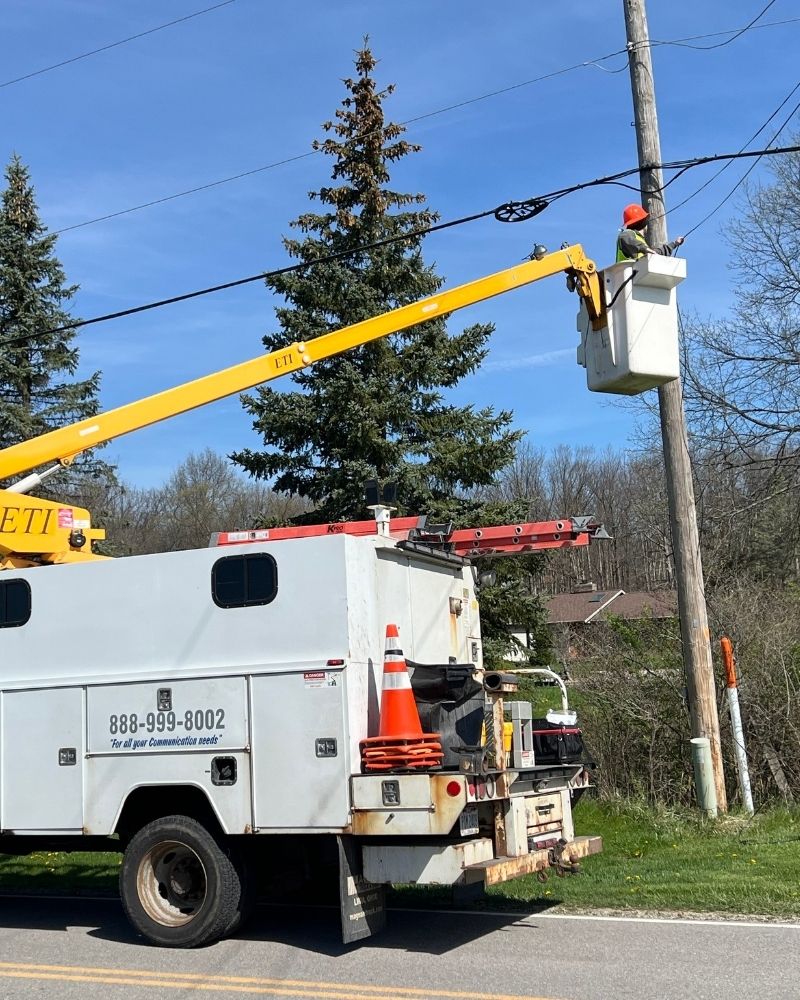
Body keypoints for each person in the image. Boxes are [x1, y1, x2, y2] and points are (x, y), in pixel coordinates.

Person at [616, 204, 685, 262]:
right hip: (626, 275)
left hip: (637, 274)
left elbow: (657, 253)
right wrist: (647, 249)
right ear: (644, 223)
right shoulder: (627, 234)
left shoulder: (639, 240)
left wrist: (675, 243)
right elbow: (626, 238)